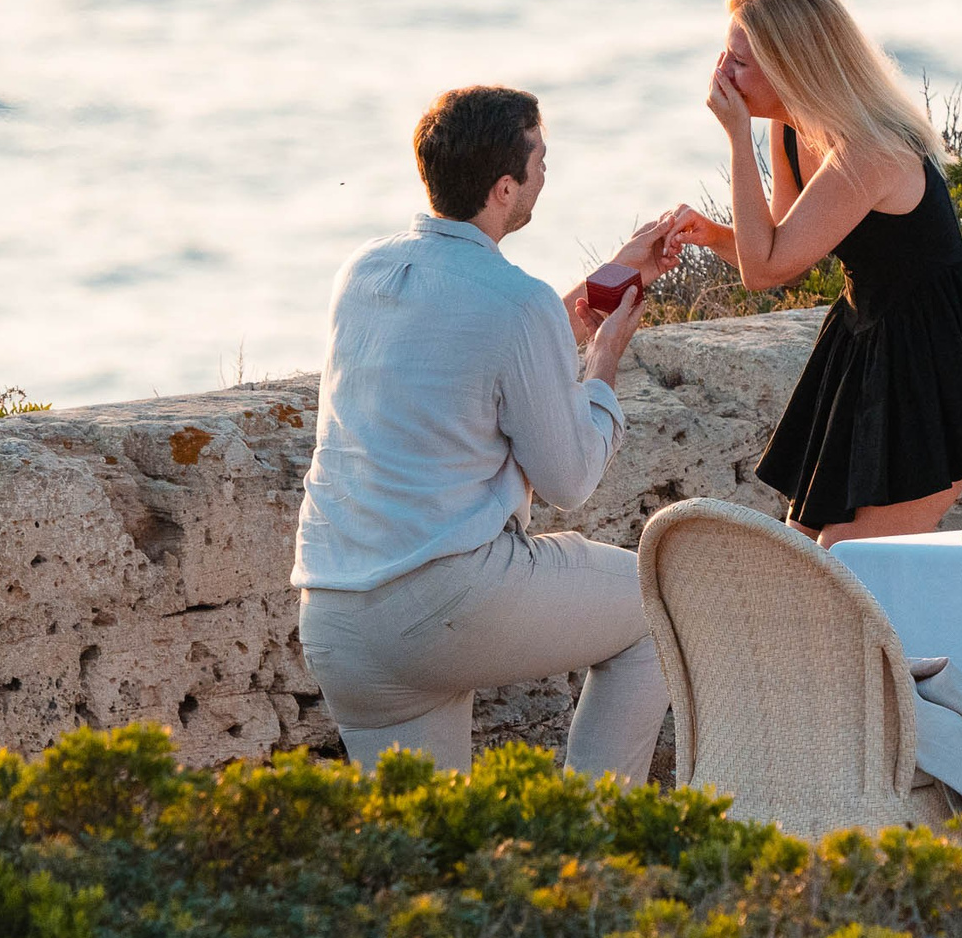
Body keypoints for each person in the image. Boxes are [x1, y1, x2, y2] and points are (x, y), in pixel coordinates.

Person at [293, 84, 683, 782]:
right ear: (505, 188)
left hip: (339, 621)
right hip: (443, 603)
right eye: (539, 162)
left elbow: (475, 346)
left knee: (433, 853)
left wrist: (605, 281)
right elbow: (568, 480)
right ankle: (595, 849)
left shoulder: (362, 272)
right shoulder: (517, 301)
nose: (545, 176)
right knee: (661, 610)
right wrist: (602, 369)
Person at [672, 0, 962, 546]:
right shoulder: (793, 130)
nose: (723, 72)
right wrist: (714, 234)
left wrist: (736, 139)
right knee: (804, 551)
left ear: (791, 67)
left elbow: (763, 270)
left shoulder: (867, 149)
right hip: (871, 338)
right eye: (726, 54)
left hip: (939, 351)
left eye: (739, 62)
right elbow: (782, 256)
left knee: (849, 560)